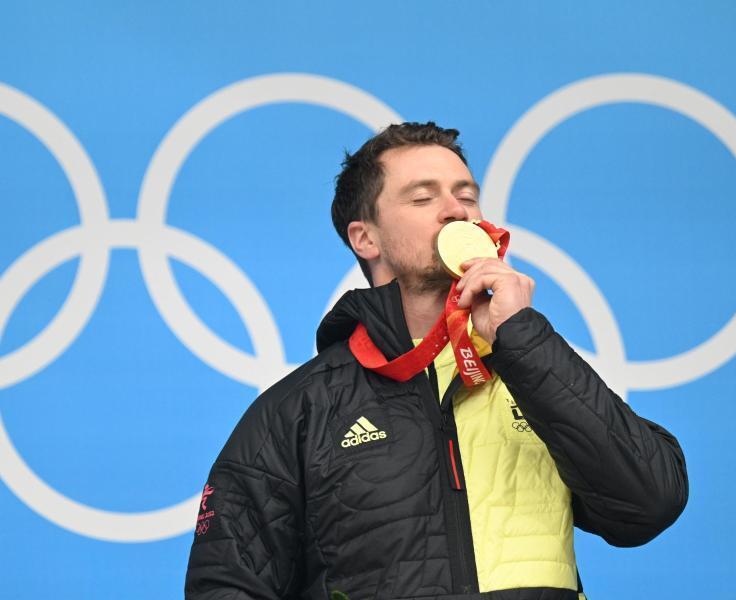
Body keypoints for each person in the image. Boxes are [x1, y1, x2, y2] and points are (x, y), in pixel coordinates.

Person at [185, 122, 688, 600]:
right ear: (366, 238)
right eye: (423, 197)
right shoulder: (299, 409)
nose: (456, 211)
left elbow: (649, 503)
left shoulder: (535, 370)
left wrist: (522, 340)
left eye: (466, 196)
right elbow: (227, 585)